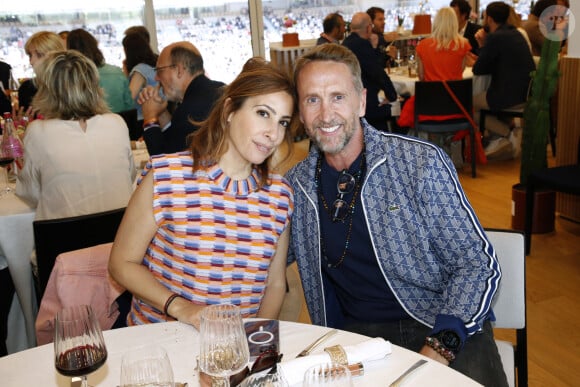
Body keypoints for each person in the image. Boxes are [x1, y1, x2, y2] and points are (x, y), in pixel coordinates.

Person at [285, 43, 507, 386]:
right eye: (312, 99)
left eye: (338, 97)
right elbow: (256, 259)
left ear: (361, 101)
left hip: (441, 321)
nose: (326, 114)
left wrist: (441, 345)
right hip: (355, 341)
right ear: (300, 111)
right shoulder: (295, 188)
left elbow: (476, 264)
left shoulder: (419, 163)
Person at [108, 58, 297, 328]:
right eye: (263, 113)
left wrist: (254, 340)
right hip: (162, 346)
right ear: (230, 109)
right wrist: (181, 307)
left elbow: (276, 283)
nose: (273, 133)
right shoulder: (168, 176)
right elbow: (121, 263)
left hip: (232, 354)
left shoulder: (279, 196)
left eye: (283, 122)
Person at [16, 50, 135, 221]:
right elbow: (128, 176)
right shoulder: (116, 123)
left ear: (46, 90)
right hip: (120, 237)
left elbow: (30, 193)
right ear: (94, 86)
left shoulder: (38, 132)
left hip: (64, 242)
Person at [137, 41, 225, 156]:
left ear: (178, 70)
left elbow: (164, 162)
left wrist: (150, 118)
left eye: (159, 71)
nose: (156, 78)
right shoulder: (219, 88)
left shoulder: (189, 110)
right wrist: (161, 113)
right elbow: (175, 141)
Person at [473, 1, 536, 160]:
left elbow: (478, 69)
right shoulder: (516, 33)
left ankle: (506, 134)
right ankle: (500, 136)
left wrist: (482, 44)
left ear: (489, 19)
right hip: (525, 92)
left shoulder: (495, 37)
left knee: (467, 105)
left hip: (507, 95)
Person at [397, 7, 471, 134]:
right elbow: (461, 70)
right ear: (454, 23)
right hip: (455, 106)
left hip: (429, 107)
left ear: (435, 23)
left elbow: (421, 76)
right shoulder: (463, 45)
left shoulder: (423, 46)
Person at [342, 12, 397, 132]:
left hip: (350, 99)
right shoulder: (361, 44)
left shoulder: (346, 43)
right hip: (366, 104)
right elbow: (377, 73)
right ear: (368, 28)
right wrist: (392, 95)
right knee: (397, 108)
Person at [67, 29, 134, 114]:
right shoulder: (117, 72)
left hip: (90, 125)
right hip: (121, 123)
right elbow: (130, 106)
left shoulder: (73, 78)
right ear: (95, 46)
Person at [17, 31, 65, 112]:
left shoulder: (72, 87)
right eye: (30, 55)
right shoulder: (26, 89)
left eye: (39, 55)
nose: (31, 61)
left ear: (56, 57)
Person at [122, 33, 159, 125]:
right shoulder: (155, 64)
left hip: (143, 119)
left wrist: (126, 75)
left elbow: (129, 99)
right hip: (159, 114)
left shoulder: (140, 70)